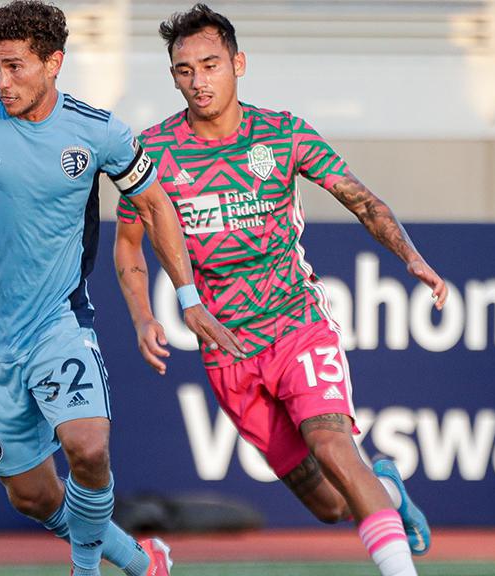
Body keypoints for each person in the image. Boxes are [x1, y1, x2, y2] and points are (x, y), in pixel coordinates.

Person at [0, 2, 242, 575]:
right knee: (33, 496)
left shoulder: (97, 131)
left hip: (59, 323)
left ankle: (85, 569)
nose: (2, 82)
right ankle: (141, 561)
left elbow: (155, 205)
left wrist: (188, 297)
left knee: (89, 447)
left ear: (53, 63)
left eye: (15, 67)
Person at [112, 5, 447, 576]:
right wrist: (144, 317)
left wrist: (411, 256)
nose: (199, 81)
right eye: (186, 70)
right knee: (330, 504)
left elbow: (361, 199)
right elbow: (127, 244)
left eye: (211, 65)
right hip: (228, 350)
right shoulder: (154, 152)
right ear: (173, 76)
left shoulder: (282, 132)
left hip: (296, 324)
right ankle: (388, 490)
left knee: (334, 446)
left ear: (238, 64)